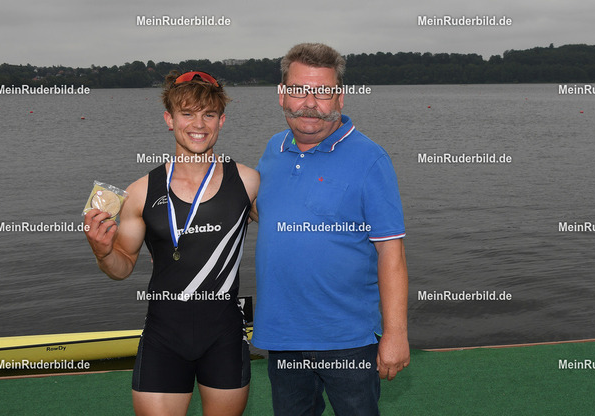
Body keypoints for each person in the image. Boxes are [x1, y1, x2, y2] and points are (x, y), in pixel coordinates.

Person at [84, 70, 259, 416]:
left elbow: (287, 235)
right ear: (170, 119)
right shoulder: (139, 192)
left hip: (224, 336)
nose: (199, 124)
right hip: (163, 337)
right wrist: (103, 252)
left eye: (209, 114)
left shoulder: (248, 181)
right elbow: (122, 267)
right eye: (187, 113)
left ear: (222, 121)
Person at [252, 43, 410, 415]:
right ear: (281, 94)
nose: (309, 103)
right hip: (283, 335)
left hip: (347, 338)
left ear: (339, 97)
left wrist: (396, 333)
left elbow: (391, 253)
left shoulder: (371, 159)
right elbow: (267, 212)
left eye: (322, 92)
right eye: (299, 90)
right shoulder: (273, 150)